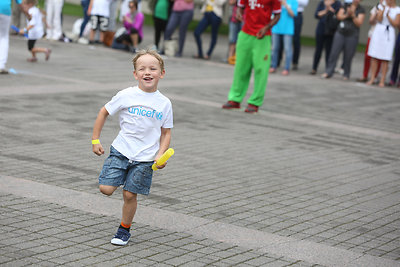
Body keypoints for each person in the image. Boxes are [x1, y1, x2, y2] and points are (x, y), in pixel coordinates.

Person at [91, 49, 173, 246]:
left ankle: (123, 230)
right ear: (135, 74)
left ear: (161, 73)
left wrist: (160, 155)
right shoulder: (126, 95)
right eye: (142, 68)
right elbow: (103, 112)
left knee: (129, 194)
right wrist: (95, 140)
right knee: (106, 189)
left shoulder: (164, 103)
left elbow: (166, 133)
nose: (147, 72)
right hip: (121, 151)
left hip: (145, 158)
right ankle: (119, 176)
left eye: (153, 68)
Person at [222, 0, 281, 113]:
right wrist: (239, 13)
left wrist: (266, 27)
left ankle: (255, 102)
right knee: (241, 68)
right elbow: (241, 6)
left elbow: (277, 15)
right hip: (245, 33)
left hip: (262, 36)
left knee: (261, 69)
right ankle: (235, 99)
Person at [322, 0, 365, 80]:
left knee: (348, 55)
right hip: (341, 32)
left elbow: (359, 23)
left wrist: (352, 15)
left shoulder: (361, 9)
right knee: (334, 52)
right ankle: (328, 71)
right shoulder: (346, 5)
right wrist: (347, 14)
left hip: (352, 34)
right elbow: (339, 16)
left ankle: (346, 74)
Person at [367, 0, 400, 87]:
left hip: (389, 32)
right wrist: (383, 10)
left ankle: (382, 80)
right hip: (379, 31)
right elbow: (379, 19)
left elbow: (396, 24)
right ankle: (372, 78)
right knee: (374, 56)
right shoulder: (381, 7)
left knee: (386, 57)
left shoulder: (397, 9)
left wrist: (388, 15)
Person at [310, 0, 341, 75]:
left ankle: (328, 69)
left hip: (331, 29)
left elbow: (337, 15)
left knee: (329, 50)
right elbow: (317, 15)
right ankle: (314, 68)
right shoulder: (322, 2)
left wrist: (329, 9)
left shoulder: (338, 3)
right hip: (321, 28)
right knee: (318, 49)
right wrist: (326, 10)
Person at [270, 0, 298, 75]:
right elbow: (272, 14)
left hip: (288, 29)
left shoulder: (293, 1)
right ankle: (273, 65)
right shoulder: (277, 1)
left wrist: (285, 5)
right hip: (276, 28)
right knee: (274, 48)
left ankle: (286, 68)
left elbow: (293, 14)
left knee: (287, 49)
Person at [357, 1, 382, 82]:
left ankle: (375, 76)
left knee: (379, 57)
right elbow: (371, 21)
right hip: (373, 34)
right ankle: (365, 74)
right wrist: (376, 13)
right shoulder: (376, 8)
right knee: (368, 56)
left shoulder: (390, 10)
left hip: (382, 36)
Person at [0, 0, 22, 74]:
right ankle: (1, 65)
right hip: (5, 11)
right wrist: (28, 14)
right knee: (4, 37)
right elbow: (20, 2)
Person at [292, 0, 308, 70]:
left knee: (296, 39)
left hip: (297, 14)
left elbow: (305, 3)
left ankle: (295, 62)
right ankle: (277, 61)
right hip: (286, 13)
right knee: (282, 38)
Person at [227, 0, 242, 65]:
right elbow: (231, 2)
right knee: (232, 39)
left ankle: (240, 59)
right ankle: (230, 58)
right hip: (234, 17)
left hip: (245, 18)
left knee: (242, 40)